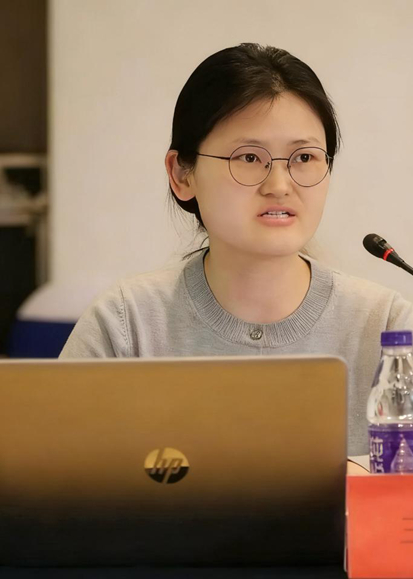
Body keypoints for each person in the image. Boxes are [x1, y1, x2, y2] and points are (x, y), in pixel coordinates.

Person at [59, 43, 413, 457]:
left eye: (304, 157)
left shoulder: (389, 327)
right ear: (182, 174)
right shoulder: (126, 326)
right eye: (248, 157)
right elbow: (49, 475)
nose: (279, 185)